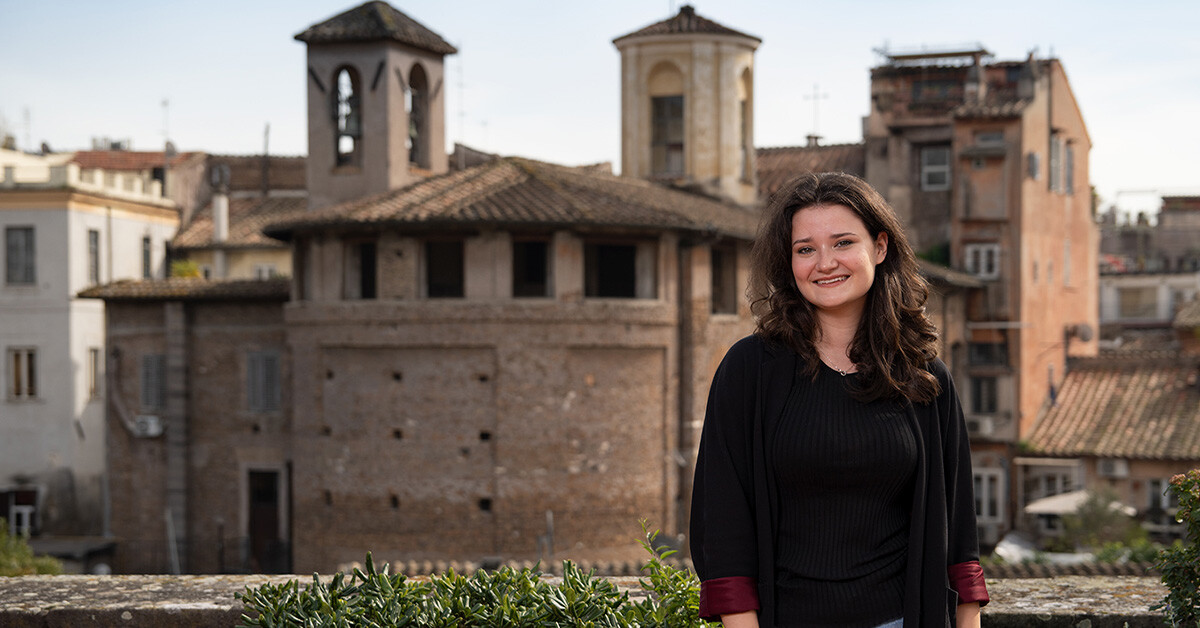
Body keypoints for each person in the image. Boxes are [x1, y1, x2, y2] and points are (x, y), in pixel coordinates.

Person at [689, 172, 989, 627]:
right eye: (805, 249)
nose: (824, 263)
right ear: (789, 263)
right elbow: (723, 523)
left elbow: (958, 533)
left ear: (881, 248)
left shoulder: (924, 377)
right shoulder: (749, 370)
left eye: (843, 242)